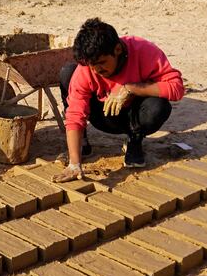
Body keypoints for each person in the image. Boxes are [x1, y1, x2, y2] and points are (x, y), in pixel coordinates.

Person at [54, 18, 184, 182]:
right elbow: (74, 115)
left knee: (159, 106)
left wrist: (130, 88)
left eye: (102, 63)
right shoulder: (87, 68)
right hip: (103, 117)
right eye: (92, 65)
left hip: (134, 115)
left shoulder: (144, 51)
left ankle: (134, 140)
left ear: (117, 49)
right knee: (68, 73)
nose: (97, 70)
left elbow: (177, 88)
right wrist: (74, 163)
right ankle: (83, 145)